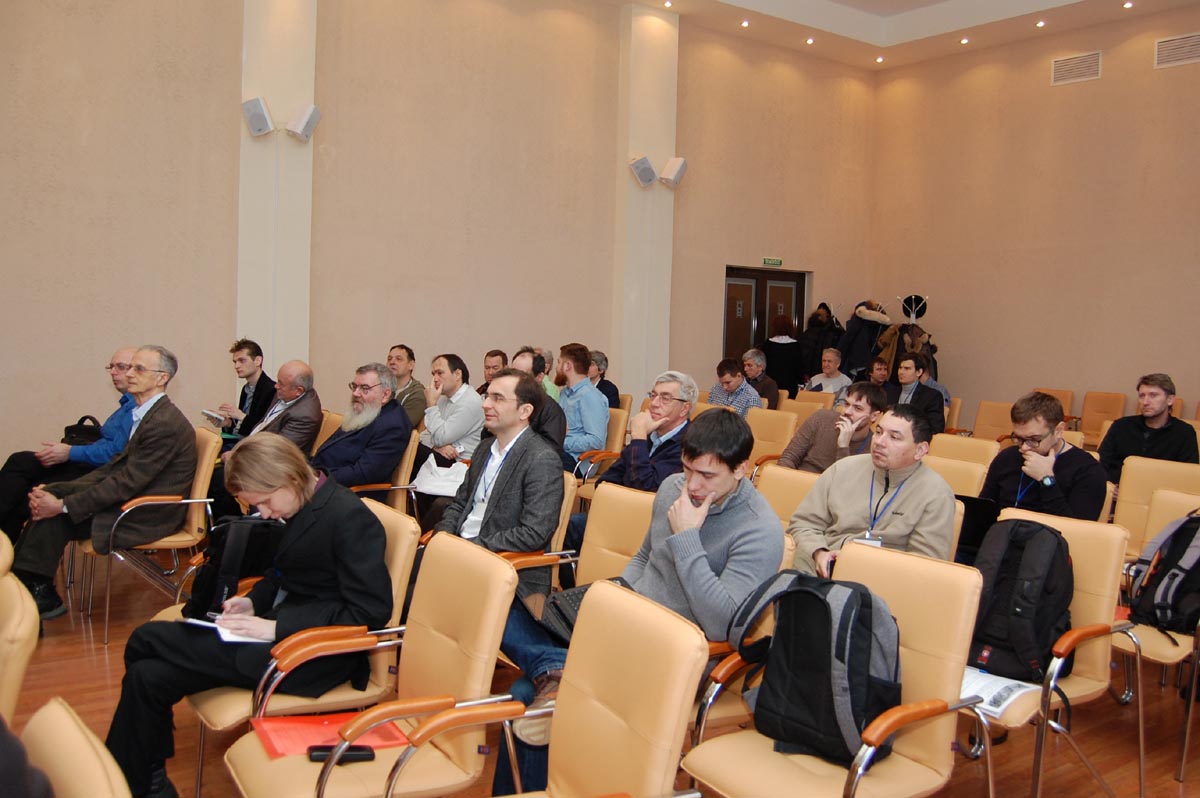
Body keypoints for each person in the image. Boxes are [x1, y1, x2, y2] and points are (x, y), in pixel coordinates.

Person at [105, 433, 392, 798]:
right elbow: (281, 574)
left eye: (265, 502)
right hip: (274, 634)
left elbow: (371, 612)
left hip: (310, 655)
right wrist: (253, 602)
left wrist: (275, 627)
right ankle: (146, 782)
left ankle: (127, 778)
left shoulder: (349, 518)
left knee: (146, 639)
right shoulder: (301, 503)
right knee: (147, 676)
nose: (265, 514)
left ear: (288, 478)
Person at [502, 409, 782, 751]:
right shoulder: (672, 488)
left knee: (525, 693)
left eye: (707, 475)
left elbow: (721, 625)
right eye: (688, 469)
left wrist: (687, 538)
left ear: (740, 469)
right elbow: (644, 557)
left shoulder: (759, 530)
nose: (692, 485)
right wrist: (616, 595)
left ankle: (556, 672)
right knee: (506, 603)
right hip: (628, 621)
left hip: (677, 649)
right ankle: (555, 667)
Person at [13, 346, 196, 619]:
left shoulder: (163, 423)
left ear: (162, 378)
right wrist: (59, 492)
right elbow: (114, 469)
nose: (129, 374)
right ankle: (26, 588)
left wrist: (63, 505)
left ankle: (34, 592)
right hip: (134, 499)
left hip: (147, 513)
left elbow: (126, 483)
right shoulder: (146, 414)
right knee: (51, 495)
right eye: (130, 367)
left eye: (139, 369)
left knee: (57, 516)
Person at [435, 369, 565, 604]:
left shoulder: (541, 459)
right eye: (487, 396)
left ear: (525, 411)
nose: (485, 404)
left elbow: (534, 533)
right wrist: (443, 536)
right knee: (395, 582)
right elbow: (459, 503)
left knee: (412, 599)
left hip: (504, 569)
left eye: (498, 398)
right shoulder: (485, 448)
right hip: (461, 553)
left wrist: (471, 546)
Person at [788, 405, 955, 577]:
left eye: (894, 437)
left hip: (882, 579)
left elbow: (926, 563)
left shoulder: (936, 494)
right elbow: (803, 524)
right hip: (818, 568)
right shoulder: (843, 469)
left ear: (920, 450)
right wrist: (819, 552)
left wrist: (858, 564)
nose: (880, 442)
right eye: (879, 432)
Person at [0, 346, 136, 542]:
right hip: (94, 466)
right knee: (22, 463)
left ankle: (7, 553)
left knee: (27, 490)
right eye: (111, 367)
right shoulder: (127, 405)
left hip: (103, 474)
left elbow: (116, 453)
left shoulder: (138, 410)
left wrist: (70, 452)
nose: (113, 372)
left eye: (121, 367)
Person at [563, 370, 695, 555]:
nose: (654, 403)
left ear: (684, 408)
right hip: (619, 514)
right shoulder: (650, 436)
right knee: (562, 529)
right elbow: (605, 481)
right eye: (653, 395)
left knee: (569, 530)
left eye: (665, 398)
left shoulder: (690, 445)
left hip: (653, 529)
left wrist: (639, 436)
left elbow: (646, 491)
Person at [209, 360, 323, 519]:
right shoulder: (285, 394)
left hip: (273, 466)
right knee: (210, 471)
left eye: (281, 384)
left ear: (298, 390)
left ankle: (234, 524)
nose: (276, 386)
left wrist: (237, 456)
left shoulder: (305, 415)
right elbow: (262, 425)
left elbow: (277, 452)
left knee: (218, 480)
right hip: (255, 449)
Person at [980, 391, 1109, 520]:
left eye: (1033, 439)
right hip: (1001, 530)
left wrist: (1046, 480)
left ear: (1059, 430)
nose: (1024, 447)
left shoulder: (1088, 470)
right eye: (1018, 438)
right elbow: (983, 511)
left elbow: (1076, 528)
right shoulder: (1006, 458)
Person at [311, 362, 412, 489]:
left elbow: (363, 473)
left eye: (365, 388)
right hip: (323, 477)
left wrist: (319, 479)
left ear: (385, 394)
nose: (355, 393)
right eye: (354, 387)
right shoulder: (365, 411)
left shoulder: (392, 426)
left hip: (346, 491)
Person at [1099, 373, 1198, 484]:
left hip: (1158, 492)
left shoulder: (1184, 433)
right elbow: (1100, 463)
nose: (1145, 402)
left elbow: (1188, 476)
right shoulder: (1120, 426)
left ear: (1170, 400)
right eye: (1142, 396)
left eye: (1153, 395)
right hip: (1114, 489)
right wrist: (1108, 485)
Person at [778, 382, 887, 473]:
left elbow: (846, 485)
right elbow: (788, 457)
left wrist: (843, 446)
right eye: (846, 404)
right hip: (799, 481)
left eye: (857, 408)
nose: (847, 412)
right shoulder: (821, 418)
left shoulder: (873, 448)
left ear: (874, 416)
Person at [417, 353, 485, 466]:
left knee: (411, 450)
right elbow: (424, 435)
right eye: (433, 374)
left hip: (461, 463)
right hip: (443, 457)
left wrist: (431, 405)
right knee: (409, 446)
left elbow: (440, 438)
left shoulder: (470, 402)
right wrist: (435, 447)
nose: (435, 379)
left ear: (457, 374)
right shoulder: (443, 399)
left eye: (440, 373)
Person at [210, 339, 275, 439]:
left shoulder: (271, 390)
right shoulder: (246, 388)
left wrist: (240, 415)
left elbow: (264, 430)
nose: (236, 366)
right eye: (235, 362)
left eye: (242, 360)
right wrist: (227, 423)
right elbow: (244, 428)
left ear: (258, 361)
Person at [556, 342, 609, 464]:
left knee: (535, 460)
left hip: (577, 460)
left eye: (559, 362)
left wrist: (561, 442)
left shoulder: (591, 396)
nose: (556, 368)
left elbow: (596, 440)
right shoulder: (564, 393)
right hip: (562, 453)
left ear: (567, 366)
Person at [883, 351, 945, 434]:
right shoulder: (891, 392)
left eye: (907, 368)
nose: (901, 372)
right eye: (900, 368)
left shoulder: (932, 396)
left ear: (919, 372)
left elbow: (936, 428)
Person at [759, 315, 802, 397]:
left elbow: (763, 365)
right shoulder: (796, 345)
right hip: (790, 385)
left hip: (771, 383)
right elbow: (799, 367)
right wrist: (801, 383)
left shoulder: (768, 344)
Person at [385, 344, 428, 427]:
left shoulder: (418, 393)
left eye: (399, 359)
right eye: (389, 359)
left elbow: (400, 426)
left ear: (411, 365)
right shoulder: (380, 388)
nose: (392, 362)